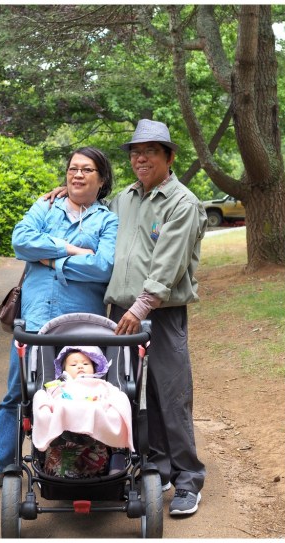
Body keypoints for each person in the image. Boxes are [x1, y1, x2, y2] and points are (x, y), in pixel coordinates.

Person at [0, 147, 118, 497]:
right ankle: (0, 465)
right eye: (72, 169)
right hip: (34, 319)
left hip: (81, 324)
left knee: (83, 394)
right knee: (17, 393)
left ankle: (89, 466)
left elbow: (104, 267)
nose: (77, 175)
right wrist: (71, 251)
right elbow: (21, 241)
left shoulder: (107, 220)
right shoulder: (46, 206)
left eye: (86, 169)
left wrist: (49, 260)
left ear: (102, 179)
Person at [107, 119, 207, 516]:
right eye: (135, 151)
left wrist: (140, 307)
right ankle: (156, 469)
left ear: (169, 156)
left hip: (158, 313)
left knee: (171, 393)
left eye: (150, 150)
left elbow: (168, 265)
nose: (140, 158)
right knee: (124, 392)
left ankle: (188, 480)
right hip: (120, 312)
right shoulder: (124, 198)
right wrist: (70, 194)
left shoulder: (183, 202)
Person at [31, 346, 133, 456]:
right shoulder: (59, 384)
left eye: (85, 364)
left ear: (94, 368)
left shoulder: (100, 384)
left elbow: (111, 394)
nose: (80, 366)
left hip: (95, 407)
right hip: (66, 406)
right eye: (73, 365)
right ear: (64, 370)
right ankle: (57, 432)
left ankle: (117, 457)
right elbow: (52, 396)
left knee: (116, 401)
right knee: (45, 398)